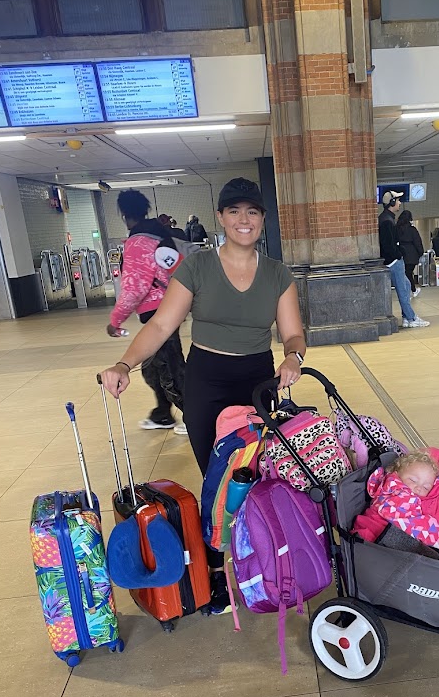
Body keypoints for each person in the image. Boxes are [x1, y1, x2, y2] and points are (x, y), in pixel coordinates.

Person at [100, 177, 306, 614]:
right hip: (207, 381)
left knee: (252, 476)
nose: (243, 220)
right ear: (221, 218)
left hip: (257, 382)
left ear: (263, 220)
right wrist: (124, 365)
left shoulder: (277, 274)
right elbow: (159, 326)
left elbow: (292, 333)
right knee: (216, 481)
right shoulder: (196, 268)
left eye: (252, 211)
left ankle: (263, 562)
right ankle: (216, 575)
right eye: (234, 212)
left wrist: (294, 358)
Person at [108, 189, 187, 435]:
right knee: (152, 367)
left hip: (159, 313)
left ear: (123, 214)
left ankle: (195, 416)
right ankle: (163, 413)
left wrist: (115, 320)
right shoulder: (158, 234)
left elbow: (134, 288)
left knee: (170, 368)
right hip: (171, 307)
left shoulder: (138, 243)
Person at [353, 448, 439, 559]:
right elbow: (402, 517)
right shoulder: (393, 488)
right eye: (413, 480)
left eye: (426, 487)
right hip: (381, 532)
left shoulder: (415, 499)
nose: (418, 488)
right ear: (396, 473)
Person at [379, 191, 429, 328]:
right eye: (398, 200)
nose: (400, 203)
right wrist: (397, 256)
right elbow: (388, 244)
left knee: (406, 286)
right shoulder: (387, 221)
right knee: (403, 289)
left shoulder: (387, 218)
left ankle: (407, 317)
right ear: (392, 203)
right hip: (394, 261)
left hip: (394, 260)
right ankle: (411, 318)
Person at [396, 209, 424, 296]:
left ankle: (408, 290)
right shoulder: (412, 230)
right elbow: (417, 242)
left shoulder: (397, 229)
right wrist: (420, 252)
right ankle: (413, 290)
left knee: (405, 273)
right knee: (408, 273)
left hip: (401, 253)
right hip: (412, 254)